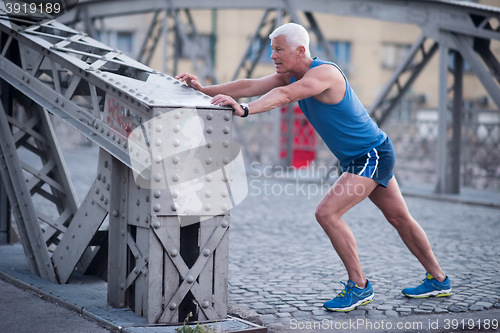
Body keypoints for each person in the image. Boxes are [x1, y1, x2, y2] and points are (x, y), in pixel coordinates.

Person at [176, 22, 451, 312]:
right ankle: (439, 280)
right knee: (400, 218)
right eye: (273, 50)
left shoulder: (324, 74)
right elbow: (249, 85)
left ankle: (359, 286)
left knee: (327, 213)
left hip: (372, 155)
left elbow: (285, 97)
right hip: (365, 156)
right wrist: (204, 90)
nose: (273, 56)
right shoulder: (289, 75)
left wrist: (244, 109)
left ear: (300, 50)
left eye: (279, 50)